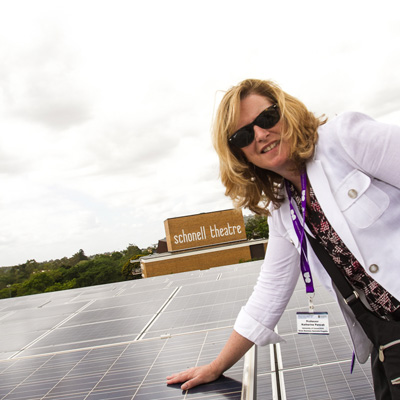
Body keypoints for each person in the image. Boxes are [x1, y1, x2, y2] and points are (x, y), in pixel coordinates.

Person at [166, 79, 400, 399]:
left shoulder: (346, 138)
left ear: (285, 111)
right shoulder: (282, 209)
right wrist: (216, 366)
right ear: (240, 155)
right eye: (243, 135)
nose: (260, 134)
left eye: (266, 118)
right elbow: (269, 293)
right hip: (388, 338)